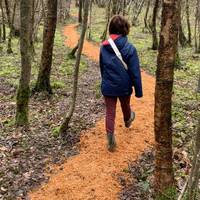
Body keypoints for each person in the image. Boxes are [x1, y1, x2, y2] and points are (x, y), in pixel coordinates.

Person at [99, 15, 143, 152]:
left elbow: (102, 67)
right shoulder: (130, 48)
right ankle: (128, 120)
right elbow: (135, 72)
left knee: (110, 112)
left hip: (108, 86)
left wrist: (105, 82)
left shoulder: (103, 47)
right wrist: (139, 91)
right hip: (124, 86)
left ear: (111, 28)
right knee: (125, 105)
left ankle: (111, 141)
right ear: (125, 29)